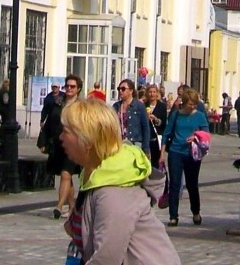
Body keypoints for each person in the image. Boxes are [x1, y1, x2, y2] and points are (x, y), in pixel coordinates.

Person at [58, 97, 181, 264]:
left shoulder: (113, 190)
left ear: (86, 139)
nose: (60, 137)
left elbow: (107, 257)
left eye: (66, 131)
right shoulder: (99, 175)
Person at [162, 86, 210, 227]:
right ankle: (173, 216)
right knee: (175, 184)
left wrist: (195, 137)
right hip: (176, 152)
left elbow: (206, 133)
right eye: (190, 104)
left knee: (192, 184)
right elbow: (166, 133)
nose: (193, 106)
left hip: (192, 154)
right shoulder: (176, 114)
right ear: (184, 102)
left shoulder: (200, 116)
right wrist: (162, 154)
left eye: (195, 104)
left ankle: (196, 212)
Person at [46, 74, 83, 219]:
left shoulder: (81, 105)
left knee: (65, 174)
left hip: (74, 144)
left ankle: (59, 206)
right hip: (59, 143)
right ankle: (73, 208)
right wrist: (44, 140)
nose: (69, 89)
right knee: (66, 176)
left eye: (72, 86)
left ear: (78, 89)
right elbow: (50, 121)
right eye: (67, 86)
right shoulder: (58, 102)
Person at [113, 78, 151, 155]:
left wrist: (146, 148)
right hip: (119, 143)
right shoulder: (116, 106)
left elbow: (145, 127)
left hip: (134, 143)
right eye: (119, 89)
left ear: (131, 91)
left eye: (123, 89)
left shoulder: (139, 106)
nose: (120, 91)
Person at [145, 84, 168, 169]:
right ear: (147, 93)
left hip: (157, 138)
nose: (152, 94)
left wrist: (155, 119)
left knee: (156, 163)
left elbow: (164, 123)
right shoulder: (143, 105)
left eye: (154, 92)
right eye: (150, 92)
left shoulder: (162, 106)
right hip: (147, 138)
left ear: (157, 93)